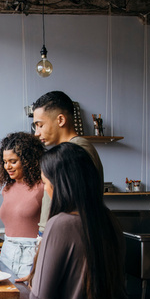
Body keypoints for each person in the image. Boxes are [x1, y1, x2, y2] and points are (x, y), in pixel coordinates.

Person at [29, 143, 126, 299]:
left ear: (60, 186)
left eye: (45, 183)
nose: (44, 189)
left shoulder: (61, 224)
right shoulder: (109, 219)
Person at [32, 91, 104, 233]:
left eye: (40, 125)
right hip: (54, 229)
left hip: (65, 232)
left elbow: (76, 204)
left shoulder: (77, 150)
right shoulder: (65, 151)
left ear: (60, 120)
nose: (36, 133)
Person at [0, 132, 45, 276]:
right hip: (6, 253)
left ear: (28, 160)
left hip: (31, 255)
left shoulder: (43, 187)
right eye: (5, 162)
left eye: (13, 161)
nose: (7, 166)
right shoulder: (7, 189)